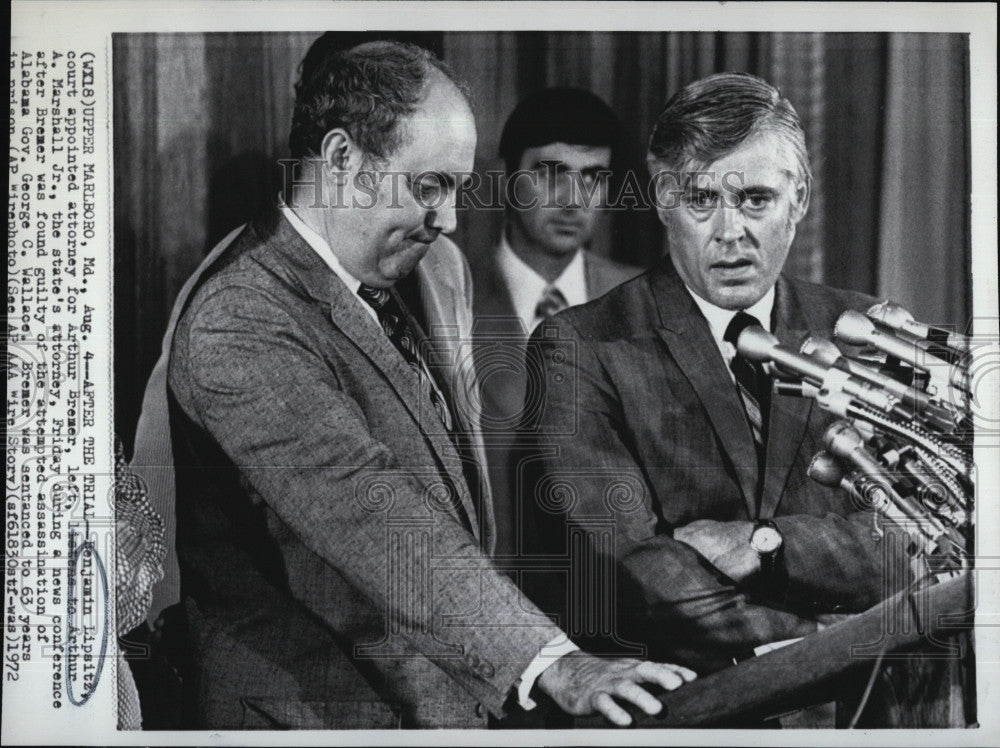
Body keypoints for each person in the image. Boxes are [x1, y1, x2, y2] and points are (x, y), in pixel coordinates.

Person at [164, 39, 693, 730]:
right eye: (430, 186)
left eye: (456, 189)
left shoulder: (426, 269)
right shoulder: (239, 321)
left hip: (442, 695)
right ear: (344, 161)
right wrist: (551, 662)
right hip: (315, 714)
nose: (449, 219)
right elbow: (369, 510)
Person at [520, 72, 911, 682]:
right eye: (702, 201)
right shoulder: (580, 346)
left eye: (756, 198)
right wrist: (814, 644)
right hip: (690, 710)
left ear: (800, 198)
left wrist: (768, 545)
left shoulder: (861, 332)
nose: (731, 232)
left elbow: (919, 540)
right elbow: (624, 565)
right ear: (663, 202)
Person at [472, 88, 641, 558]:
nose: (573, 200)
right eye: (550, 174)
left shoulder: (645, 301)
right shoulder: (448, 302)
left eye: (593, 177)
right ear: (507, 178)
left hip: (623, 596)